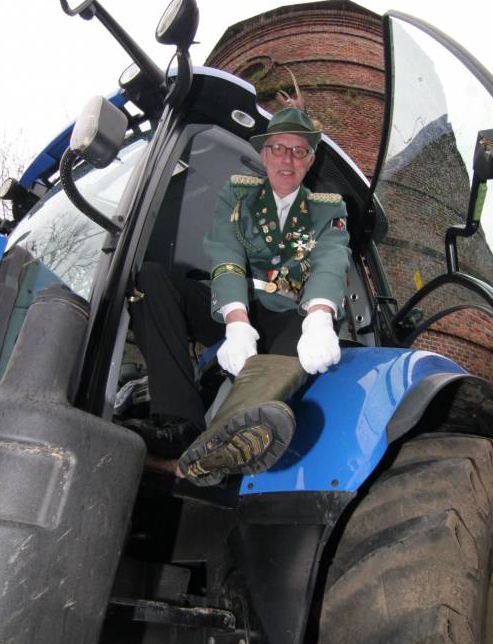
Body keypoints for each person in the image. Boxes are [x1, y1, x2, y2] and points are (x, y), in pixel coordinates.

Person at [129, 106, 350, 485]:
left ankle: (221, 443)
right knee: (148, 278)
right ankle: (178, 422)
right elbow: (227, 254)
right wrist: (236, 322)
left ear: (309, 160)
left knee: (295, 342)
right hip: (241, 309)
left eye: (299, 151)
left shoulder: (326, 210)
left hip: (291, 314)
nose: (287, 158)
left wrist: (319, 315)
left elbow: (330, 260)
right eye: (279, 148)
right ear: (264, 155)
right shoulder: (237, 195)